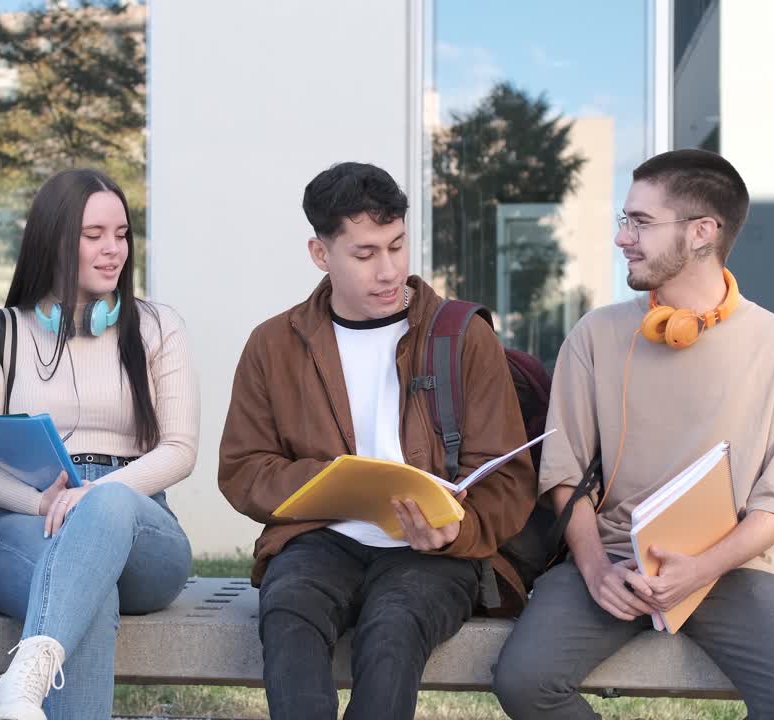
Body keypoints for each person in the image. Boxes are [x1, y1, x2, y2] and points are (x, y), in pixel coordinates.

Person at [492, 149, 774, 719]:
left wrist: (701, 568)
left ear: (702, 232)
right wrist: (594, 569)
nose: (622, 237)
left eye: (641, 222)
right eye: (624, 220)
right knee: (525, 680)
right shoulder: (595, 335)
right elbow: (563, 473)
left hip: (730, 568)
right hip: (611, 561)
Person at [217, 162, 536, 719]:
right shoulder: (273, 344)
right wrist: (334, 484)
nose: (388, 270)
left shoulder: (463, 337)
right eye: (365, 254)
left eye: (397, 246)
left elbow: (508, 480)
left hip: (436, 552)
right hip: (320, 537)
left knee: (394, 629)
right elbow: (243, 468)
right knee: (290, 609)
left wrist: (456, 528)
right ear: (321, 254)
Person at [0, 169, 198, 720]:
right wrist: (40, 502)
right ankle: (20, 692)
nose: (114, 250)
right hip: (29, 520)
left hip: (139, 527)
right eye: (94, 235)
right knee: (90, 594)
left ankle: (16, 686)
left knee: (105, 504)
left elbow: (180, 448)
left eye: (123, 233)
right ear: (55, 239)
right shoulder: (5, 330)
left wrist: (95, 496)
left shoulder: (160, 328)